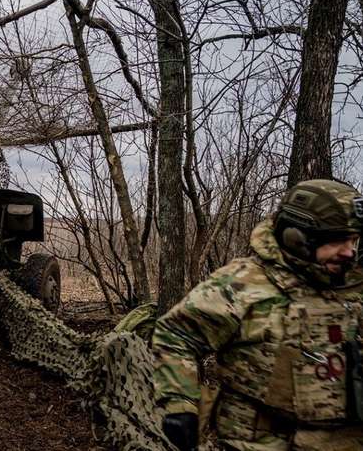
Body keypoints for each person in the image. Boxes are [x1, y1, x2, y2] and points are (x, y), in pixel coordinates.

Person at [153, 179, 363, 451]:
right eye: (337, 241)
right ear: (297, 238)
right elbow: (176, 335)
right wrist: (179, 404)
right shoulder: (243, 283)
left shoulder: (352, 287)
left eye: (353, 239)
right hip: (258, 441)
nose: (349, 251)